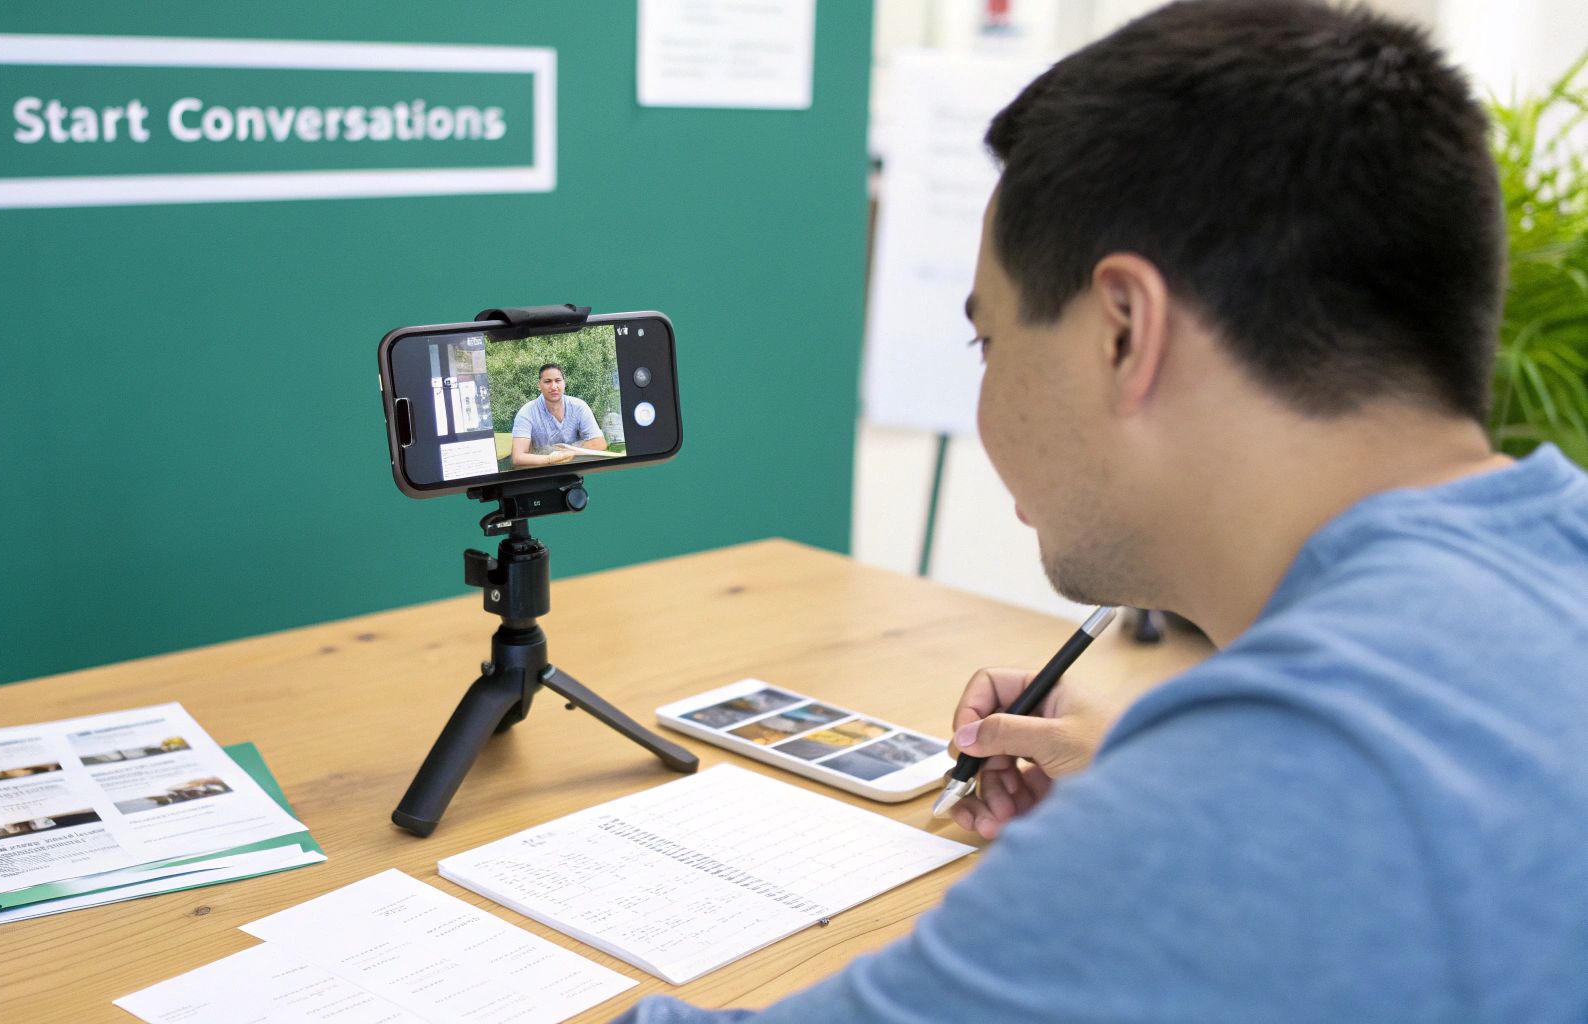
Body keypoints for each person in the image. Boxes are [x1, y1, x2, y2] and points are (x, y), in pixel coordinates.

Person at [618, 1, 1588, 1020]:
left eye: (984, 342)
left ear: (1122, 332)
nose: (984, 390)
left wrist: (1159, 814)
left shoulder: (1250, 799)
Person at [510, 362, 610, 466]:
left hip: (575, 466)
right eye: (547, 381)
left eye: (557, 380)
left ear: (564, 383)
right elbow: (517, 457)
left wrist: (570, 453)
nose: (554, 386)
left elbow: (600, 443)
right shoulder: (526, 412)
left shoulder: (579, 406)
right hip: (542, 468)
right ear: (539, 385)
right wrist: (551, 459)